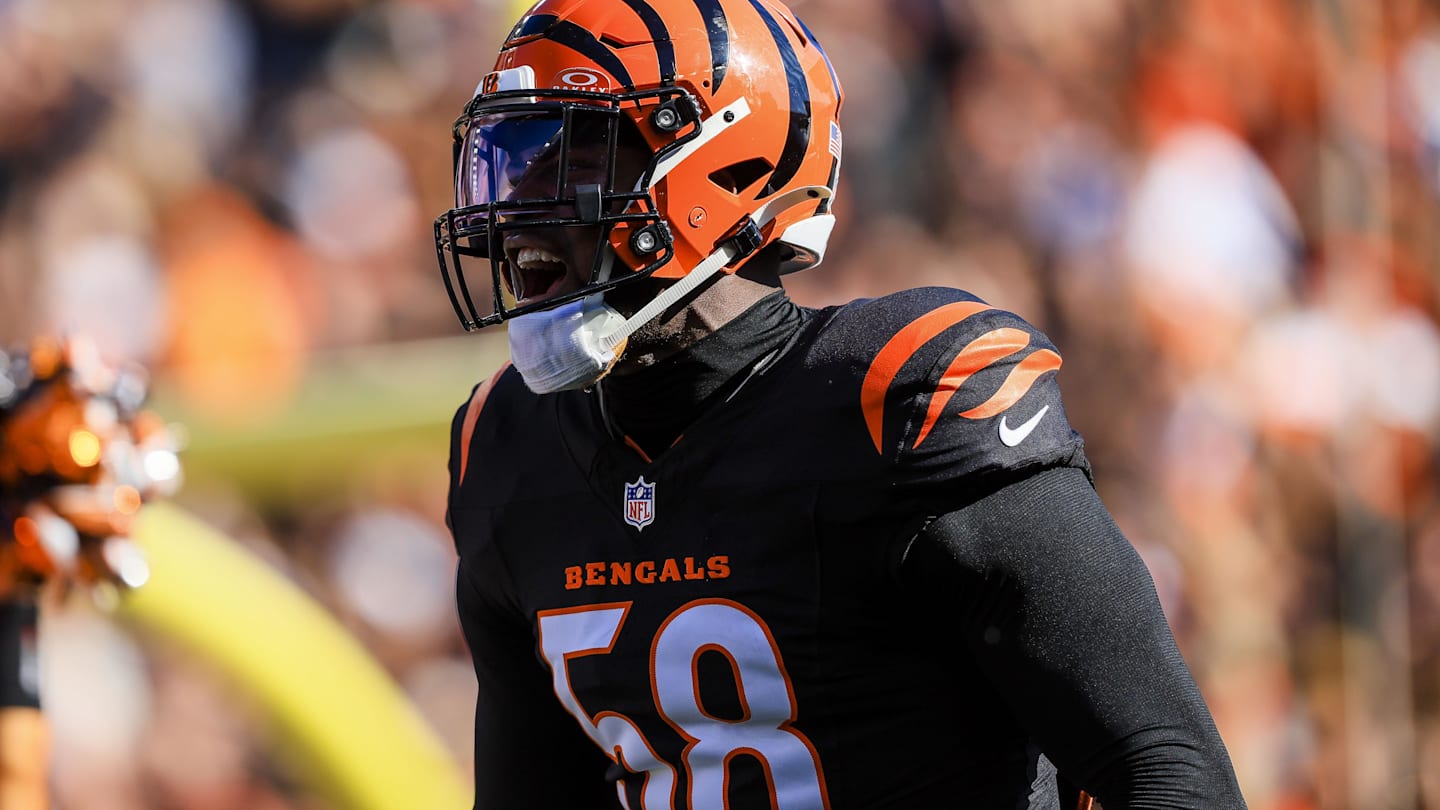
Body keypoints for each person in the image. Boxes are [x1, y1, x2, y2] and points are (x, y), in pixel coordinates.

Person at [436, 1, 1248, 807]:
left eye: (571, 154)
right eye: (510, 157)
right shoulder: (506, 450)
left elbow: (1167, 770)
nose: (512, 209)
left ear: (724, 165)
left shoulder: (896, 404)